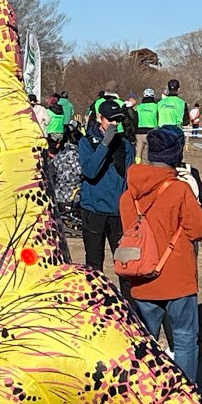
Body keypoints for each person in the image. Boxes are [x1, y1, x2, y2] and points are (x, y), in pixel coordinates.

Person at [118, 126, 202, 380]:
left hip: (141, 275)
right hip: (177, 277)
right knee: (184, 340)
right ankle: (185, 397)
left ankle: (146, 395)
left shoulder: (128, 196)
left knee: (144, 344)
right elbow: (199, 229)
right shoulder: (179, 190)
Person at [78, 98, 136, 285]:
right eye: (109, 120)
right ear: (99, 118)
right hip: (93, 211)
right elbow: (90, 171)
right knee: (94, 265)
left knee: (125, 264)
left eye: (117, 121)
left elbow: (129, 176)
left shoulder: (124, 144)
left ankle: (130, 308)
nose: (113, 124)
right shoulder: (87, 142)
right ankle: (95, 307)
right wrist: (104, 144)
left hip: (118, 212)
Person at [44, 127, 83, 237]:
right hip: (77, 195)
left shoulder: (58, 157)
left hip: (59, 196)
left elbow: (51, 176)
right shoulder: (81, 155)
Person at [134, 88, 159, 163]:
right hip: (152, 132)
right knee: (151, 154)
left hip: (139, 132)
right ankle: (150, 169)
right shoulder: (156, 106)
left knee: (138, 154)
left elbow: (135, 119)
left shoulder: (139, 107)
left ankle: (137, 168)